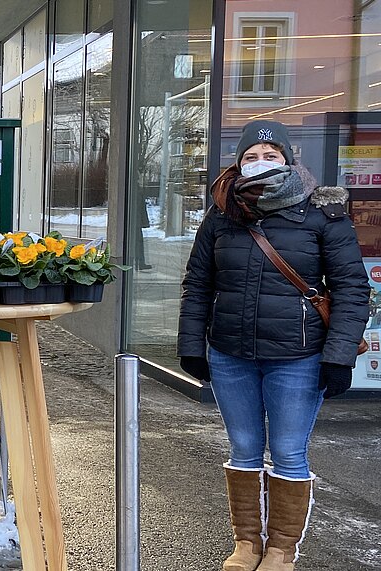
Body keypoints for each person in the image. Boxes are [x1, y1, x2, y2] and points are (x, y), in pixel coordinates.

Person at [178, 120, 368, 571]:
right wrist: (191, 344)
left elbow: (352, 288)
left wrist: (338, 357)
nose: (260, 163)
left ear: (288, 159)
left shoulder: (322, 214)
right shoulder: (222, 214)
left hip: (297, 358)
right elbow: (198, 284)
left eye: (270, 154)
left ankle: (282, 551)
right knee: (243, 448)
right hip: (230, 354)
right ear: (238, 163)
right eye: (250, 156)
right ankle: (247, 545)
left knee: (287, 451)